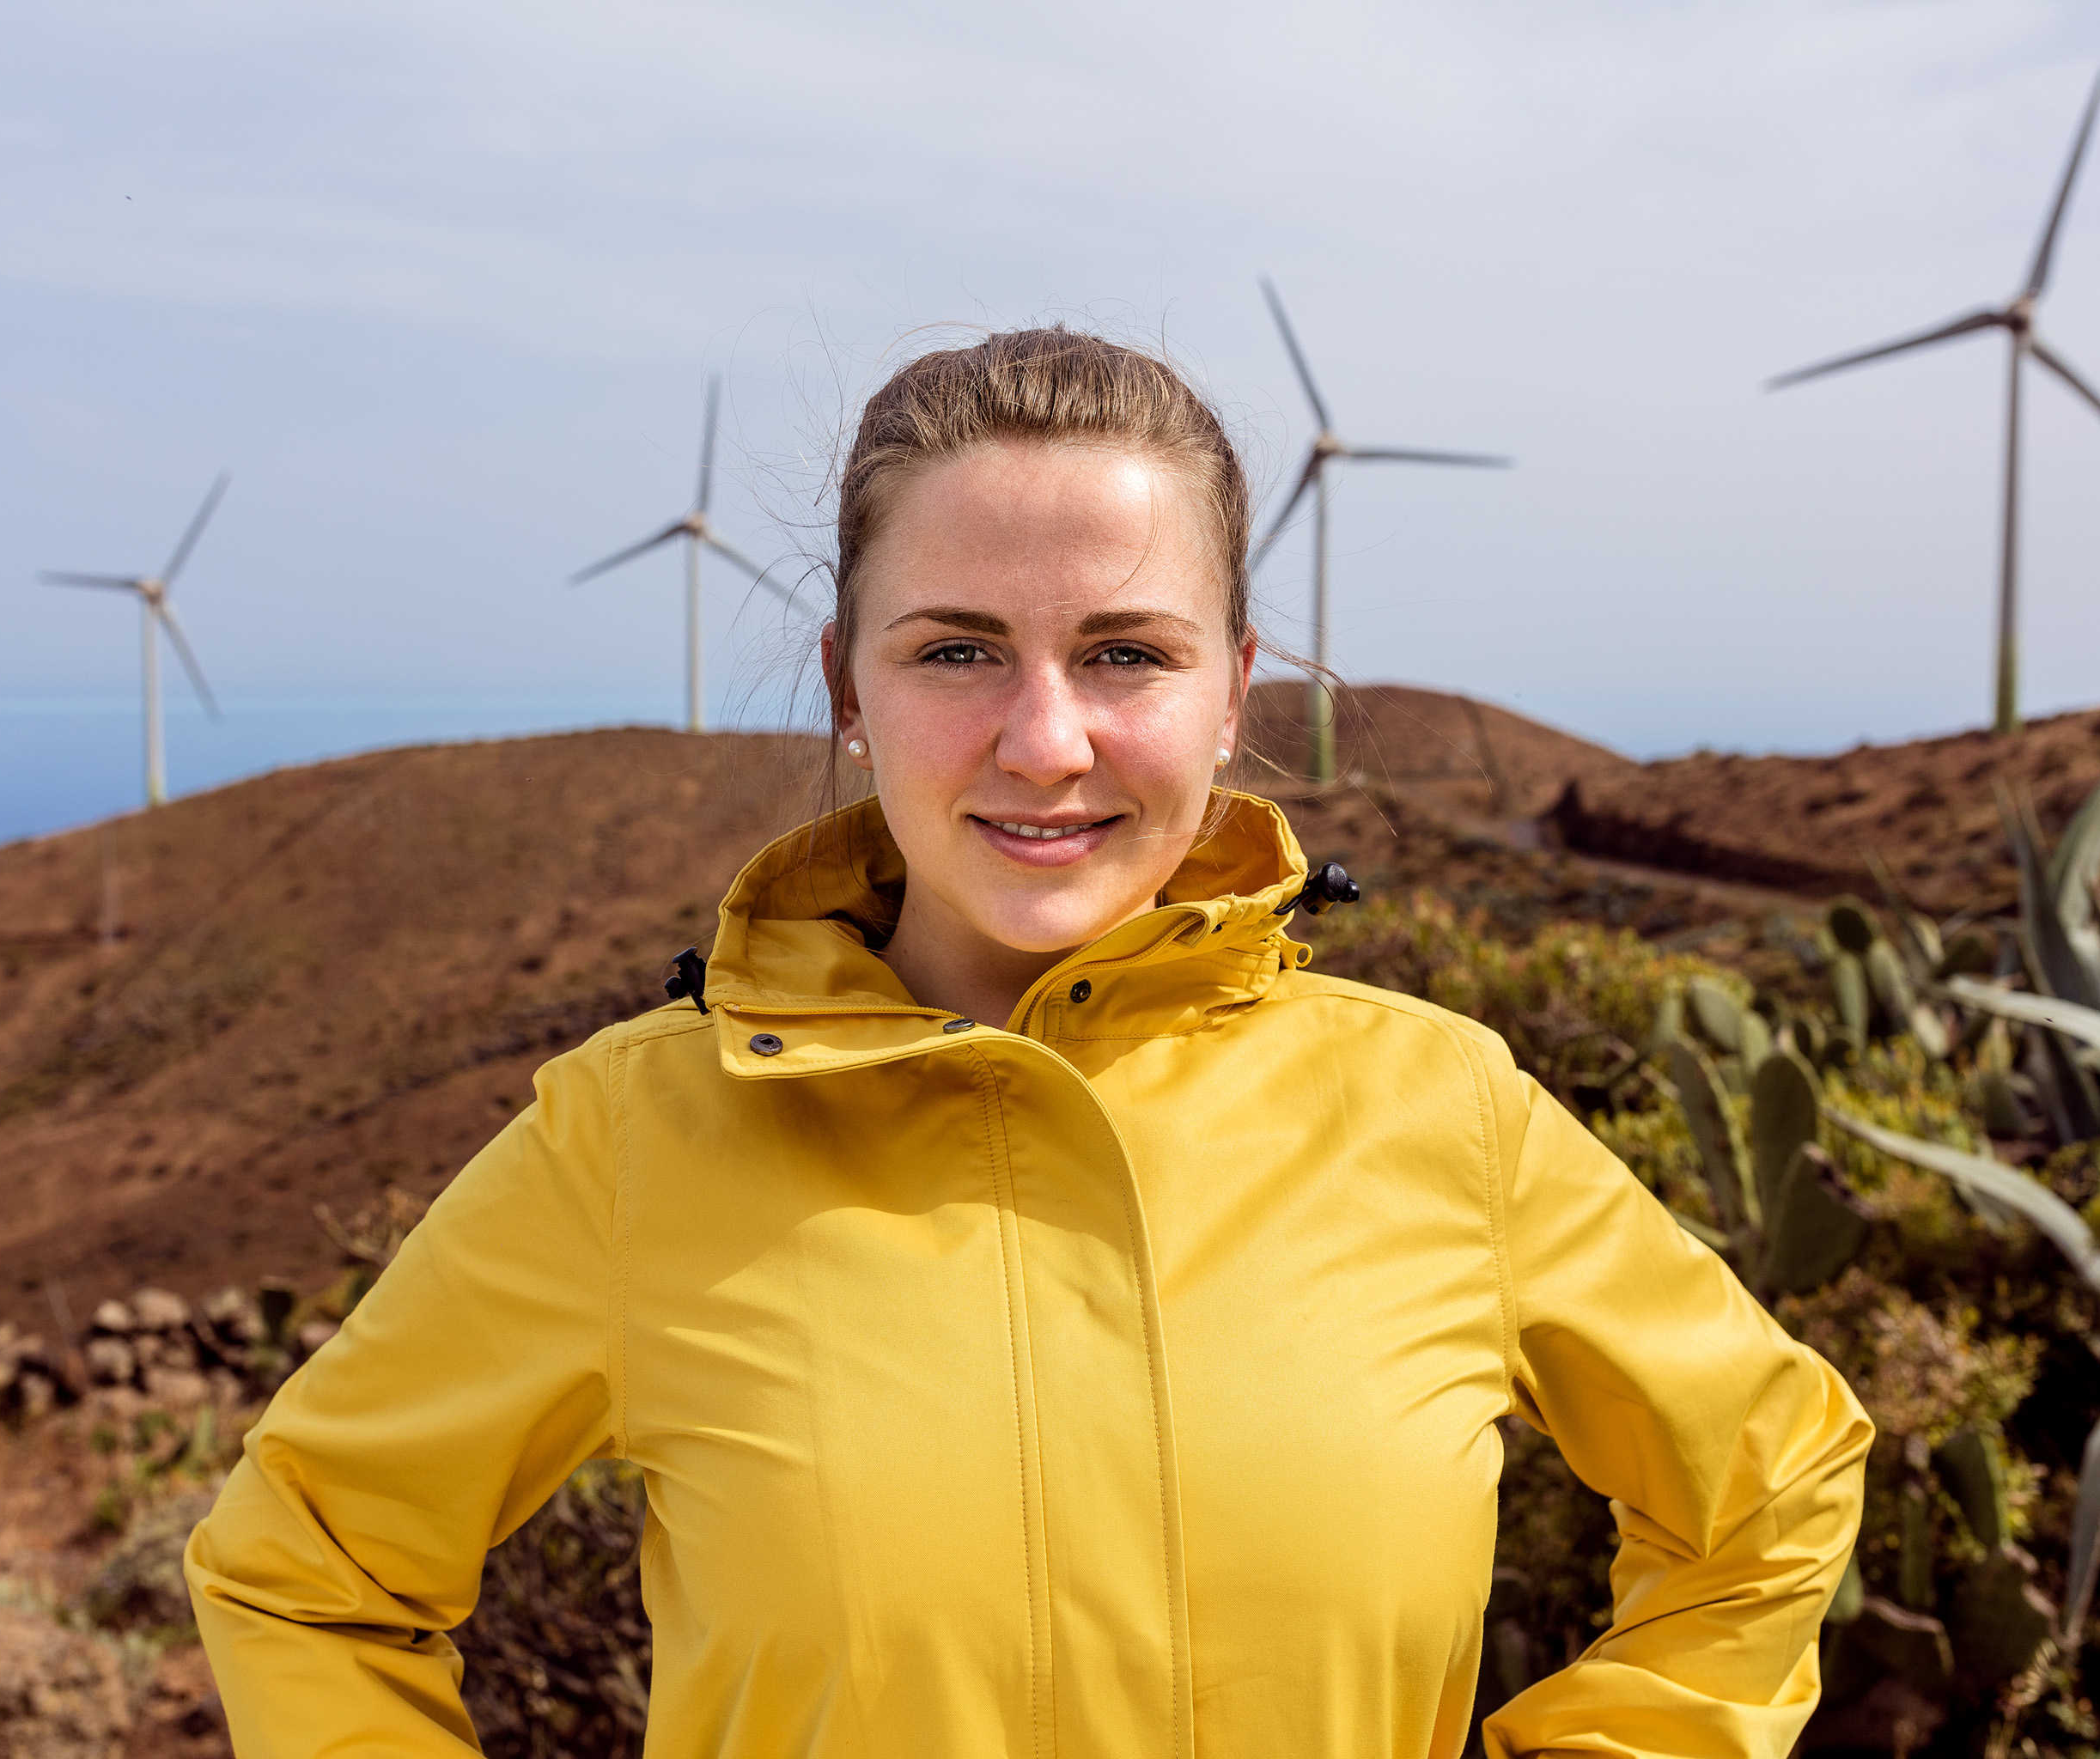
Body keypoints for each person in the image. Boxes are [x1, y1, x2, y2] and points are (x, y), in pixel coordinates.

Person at [186, 328, 1872, 1758]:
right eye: (958, 651)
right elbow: (304, 1572)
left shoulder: (1443, 1113)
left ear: (1232, 689)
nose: (1045, 738)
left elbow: (1771, 1485)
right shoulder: (629, 1140)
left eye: (1125, 652)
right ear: (848, 682)